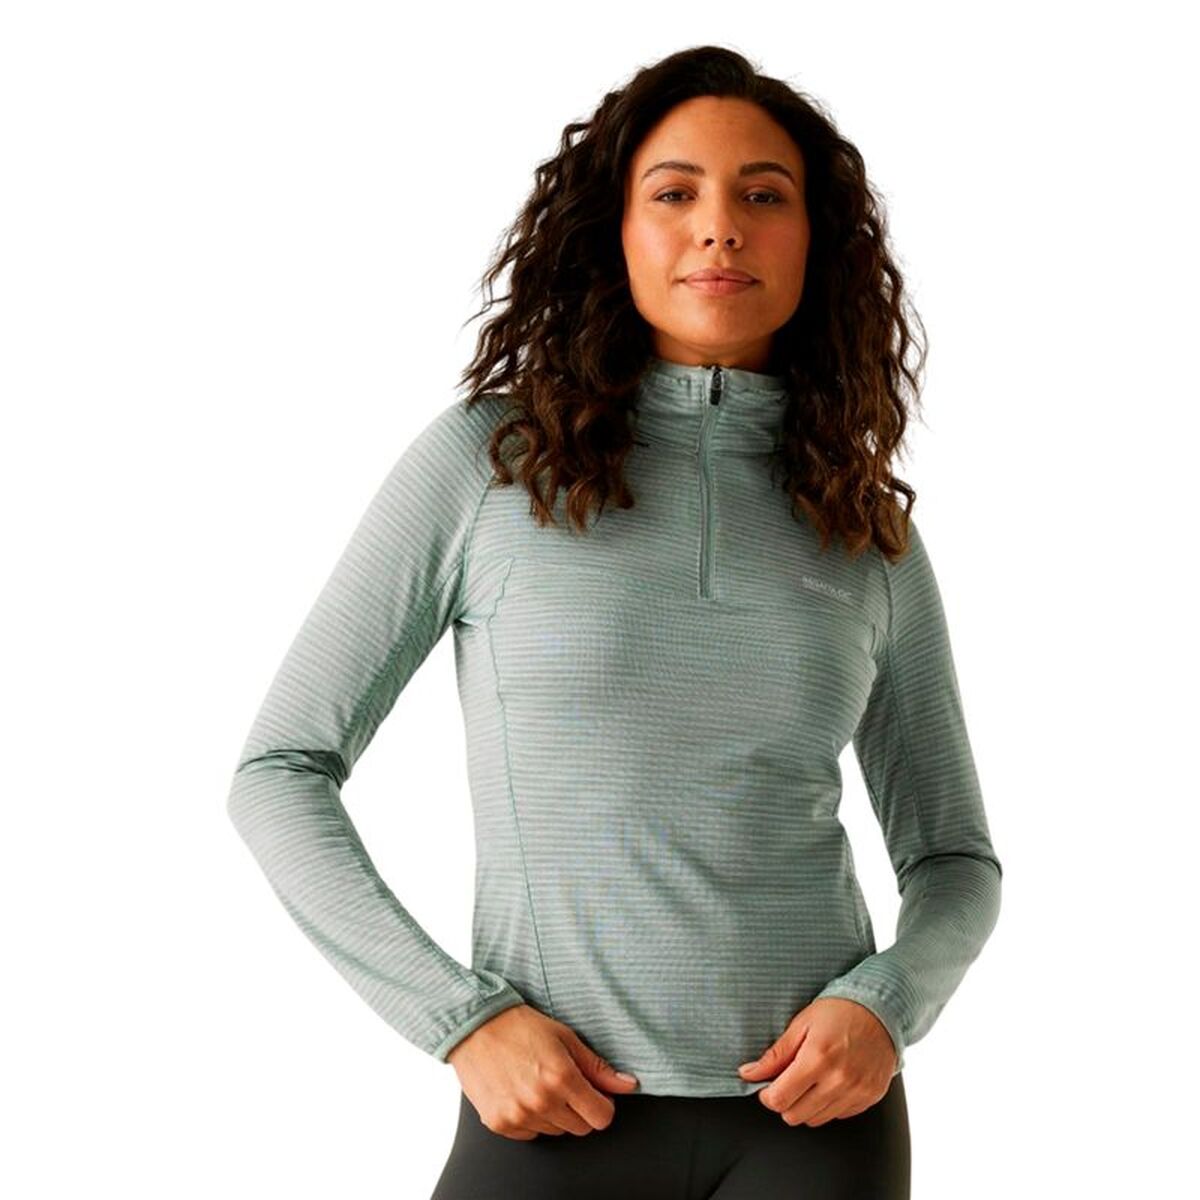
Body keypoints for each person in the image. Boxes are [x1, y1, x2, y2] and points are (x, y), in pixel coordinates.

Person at [227, 44, 1002, 1199]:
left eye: (764, 196)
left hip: (819, 1127)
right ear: (616, 232)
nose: (720, 228)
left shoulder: (864, 526)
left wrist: (886, 1007)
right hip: (551, 1119)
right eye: (675, 192)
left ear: (816, 242)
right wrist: (458, 1019)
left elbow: (951, 858)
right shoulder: (490, 467)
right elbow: (280, 772)